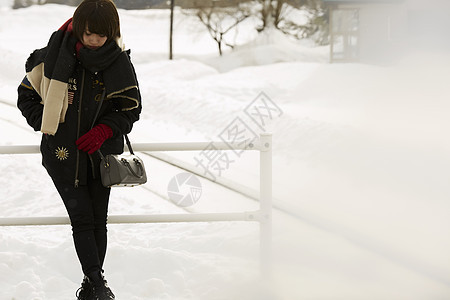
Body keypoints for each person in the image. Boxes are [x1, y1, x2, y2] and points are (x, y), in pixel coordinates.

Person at [17, 0, 142, 299]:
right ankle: (98, 286)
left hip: (101, 155)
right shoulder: (53, 56)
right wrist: (46, 123)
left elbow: (130, 109)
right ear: (78, 28)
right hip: (62, 155)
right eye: (88, 33)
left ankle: (92, 286)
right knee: (82, 217)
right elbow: (26, 94)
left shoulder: (119, 62)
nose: (94, 40)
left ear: (111, 32)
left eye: (100, 34)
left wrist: (104, 130)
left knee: (99, 219)